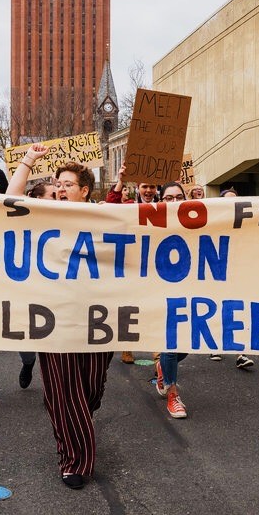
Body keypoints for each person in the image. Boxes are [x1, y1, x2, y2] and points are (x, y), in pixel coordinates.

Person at [7, 143, 114, 490]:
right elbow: (8, 200)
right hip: (53, 317)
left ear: (85, 191)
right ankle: (75, 461)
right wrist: (28, 161)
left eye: (69, 184)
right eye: (59, 184)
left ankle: (76, 418)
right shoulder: (44, 215)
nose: (62, 188)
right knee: (64, 389)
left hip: (98, 318)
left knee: (90, 388)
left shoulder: (105, 219)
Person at [106, 163, 158, 363]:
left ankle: (157, 349)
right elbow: (111, 203)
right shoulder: (128, 207)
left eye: (152, 187)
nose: (148, 190)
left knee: (155, 307)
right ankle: (127, 346)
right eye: (145, 186)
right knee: (130, 307)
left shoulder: (165, 206)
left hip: (155, 266)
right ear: (138, 188)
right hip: (131, 265)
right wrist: (120, 180)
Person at [154, 182, 192, 418]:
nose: (174, 202)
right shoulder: (150, 222)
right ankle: (172, 393)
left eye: (179, 197)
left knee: (188, 345)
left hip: (189, 289)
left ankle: (162, 368)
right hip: (159, 291)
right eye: (169, 198)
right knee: (171, 342)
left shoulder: (200, 224)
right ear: (161, 200)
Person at [16, 180, 58, 389]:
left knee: (51, 338)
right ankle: (28, 363)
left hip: (54, 289)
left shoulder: (68, 215)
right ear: (38, 199)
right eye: (53, 194)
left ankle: (50, 385)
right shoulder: (24, 216)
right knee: (27, 337)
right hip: (27, 286)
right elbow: (10, 195)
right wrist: (29, 159)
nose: (59, 196)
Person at [211, 187, 255, 368]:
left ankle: (240, 353)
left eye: (234, 199)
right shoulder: (213, 222)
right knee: (217, 308)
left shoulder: (245, 223)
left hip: (237, 273)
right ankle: (214, 344)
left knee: (238, 310)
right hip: (216, 272)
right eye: (227, 200)